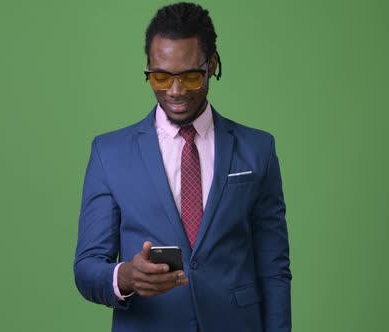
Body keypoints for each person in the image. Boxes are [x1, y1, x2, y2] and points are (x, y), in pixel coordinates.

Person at [74, 2, 291, 331]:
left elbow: (273, 268)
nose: (175, 91)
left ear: (211, 65)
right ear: (148, 68)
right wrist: (126, 276)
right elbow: (87, 268)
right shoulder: (109, 152)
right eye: (160, 77)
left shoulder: (257, 149)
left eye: (189, 77)